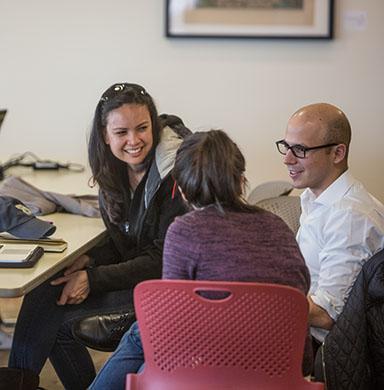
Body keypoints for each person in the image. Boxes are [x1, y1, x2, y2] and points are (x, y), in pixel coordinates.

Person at [90, 129, 313, 390]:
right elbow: (300, 287)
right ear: (241, 181)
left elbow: (174, 320)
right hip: (284, 366)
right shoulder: (277, 225)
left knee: (142, 333)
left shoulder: (185, 230)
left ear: (180, 188)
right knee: (141, 333)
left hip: (212, 363)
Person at [4, 83, 188, 389]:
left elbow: (163, 258)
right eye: (121, 133)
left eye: (142, 128)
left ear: (154, 126)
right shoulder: (115, 172)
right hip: (139, 276)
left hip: (166, 292)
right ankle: (21, 382)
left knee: (57, 321)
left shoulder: (175, 175)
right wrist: (90, 259)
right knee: (48, 288)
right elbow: (125, 243)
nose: (133, 140)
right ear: (104, 135)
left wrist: (93, 277)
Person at [276, 103, 384, 351]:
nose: (287, 159)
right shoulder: (316, 199)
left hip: (321, 350)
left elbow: (326, 316)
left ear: (337, 153)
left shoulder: (350, 217)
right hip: (302, 335)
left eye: (300, 150)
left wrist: (269, 301)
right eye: (286, 146)